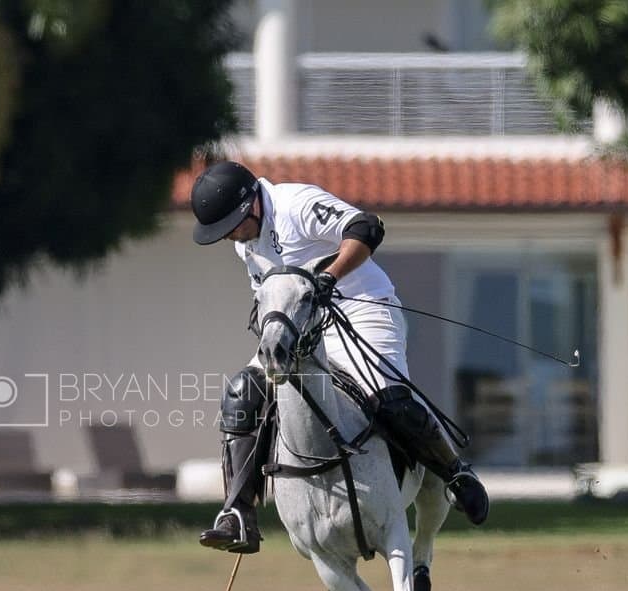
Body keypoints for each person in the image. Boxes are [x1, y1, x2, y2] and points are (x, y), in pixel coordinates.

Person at [190, 160, 488, 555]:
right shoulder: (246, 243)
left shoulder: (295, 204)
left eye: (231, 226)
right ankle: (238, 512)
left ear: (252, 206)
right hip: (300, 325)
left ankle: (453, 472)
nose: (229, 237)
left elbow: (366, 227)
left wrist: (329, 277)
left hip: (361, 306)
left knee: (386, 398)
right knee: (242, 394)